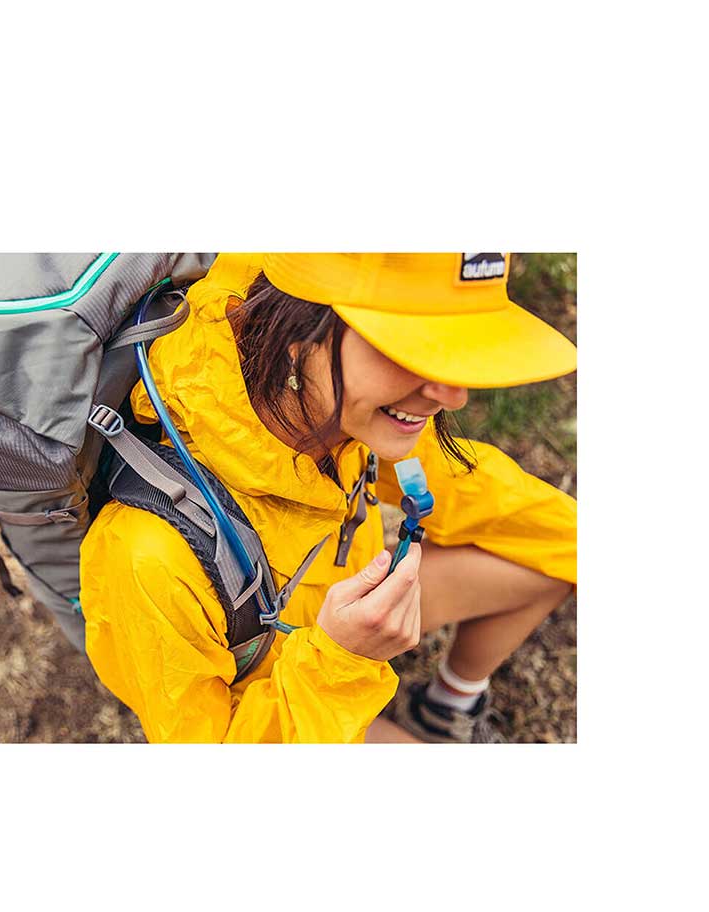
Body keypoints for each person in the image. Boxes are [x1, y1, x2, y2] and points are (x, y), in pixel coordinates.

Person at [80, 254, 576, 743]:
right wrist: (343, 660)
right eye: (413, 350)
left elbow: (469, 487)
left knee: (565, 554)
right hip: (290, 696)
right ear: (294, 333)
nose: (453, 395)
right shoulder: (146, 556)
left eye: (458, 348)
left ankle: (448, 709)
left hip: (347, 619)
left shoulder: (344, 405)